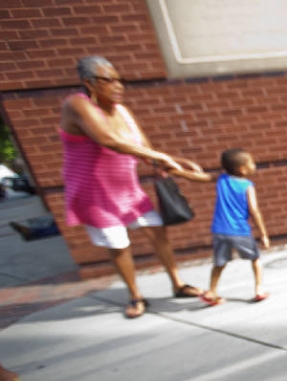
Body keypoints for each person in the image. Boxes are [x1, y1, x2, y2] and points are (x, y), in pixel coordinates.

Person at [59, 55, 206, 318]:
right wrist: (163, 158)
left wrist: (178, 162)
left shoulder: (123, 111)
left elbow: (144, 149)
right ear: (89, 83)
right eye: (108, 80)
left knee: (158, 233)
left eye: (119, 80)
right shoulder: (76, 105)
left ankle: (177, 284)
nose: (118, 86)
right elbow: (107, 140)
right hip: (95, 194)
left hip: (128, 190)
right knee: (118, 245)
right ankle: (135, 296)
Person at [177, 148, 270, 306]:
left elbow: (198, 177)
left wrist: (177, 172)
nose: (254, 166)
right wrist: (263, 234)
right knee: (255, 258)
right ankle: (259, 289)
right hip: (240, 231)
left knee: (219, 262)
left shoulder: (221, 179)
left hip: (219, 230)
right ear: (242, 169)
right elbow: (254, 210)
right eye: (251, 163)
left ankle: (212, 291)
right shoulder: (247, 185)